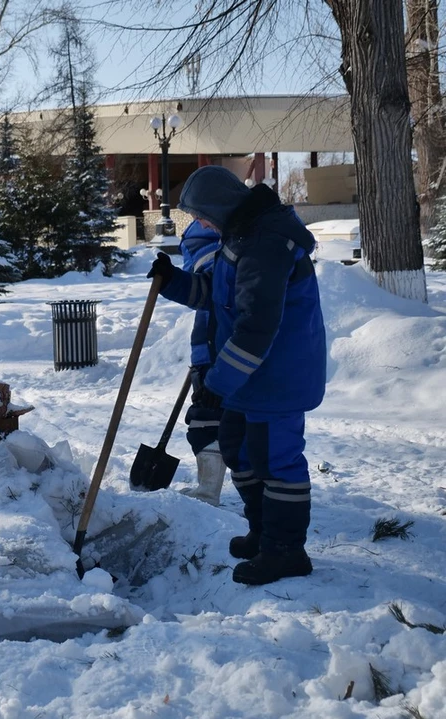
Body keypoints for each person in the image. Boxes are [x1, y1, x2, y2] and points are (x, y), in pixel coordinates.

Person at [147, 165, 326, 586]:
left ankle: (286, 551)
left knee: (274, 459)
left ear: (219, 207)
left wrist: (218, 382)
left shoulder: (266, 242)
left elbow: (257, 328)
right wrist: (173, 281)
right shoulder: (241, 234)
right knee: (237, 448)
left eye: (202, 215)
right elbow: (217, 295)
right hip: (252, 377)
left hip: (277, 376)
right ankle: (264, 533)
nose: (202, 224)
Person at [176, 220, 226, 506]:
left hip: (215, 349)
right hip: (213, 348)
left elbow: (204, 295)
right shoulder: (216, 240)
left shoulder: (204, 246)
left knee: (207, 419)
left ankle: (208, 492)